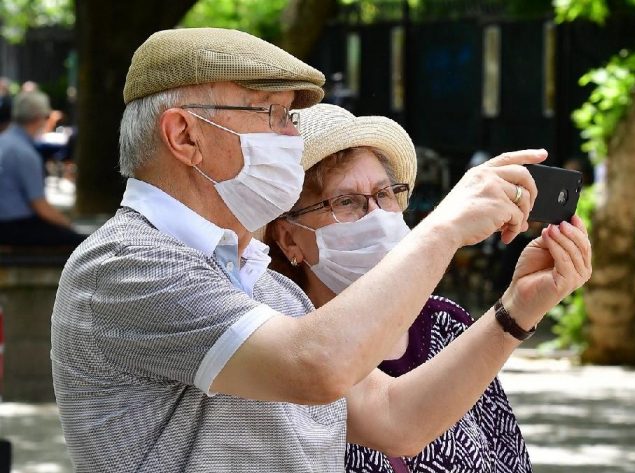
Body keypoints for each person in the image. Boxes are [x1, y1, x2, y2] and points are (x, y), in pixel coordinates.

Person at [51, 27, 592, 472]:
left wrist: (517, 309)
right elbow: (315, 366)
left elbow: (394, 418)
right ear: (185, 136)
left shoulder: (266, 286)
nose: (291, 136)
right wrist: (444, 227)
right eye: (271, 114)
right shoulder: (124, 264)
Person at [263, 104, 532, 472]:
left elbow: (509, 460)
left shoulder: (445, 325)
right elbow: (394, 419)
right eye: (345, 202)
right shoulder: (282, 340)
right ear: (289, 239)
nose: (375, 216)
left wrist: (527, 299)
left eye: (385, 194)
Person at [0, 90, 85, 246]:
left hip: (8, 223)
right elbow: (40, 206)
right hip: (13, 226)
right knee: (80, 243)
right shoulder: (25, 153)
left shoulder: (5, 141)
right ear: (39, 118)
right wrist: (68, 225)